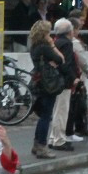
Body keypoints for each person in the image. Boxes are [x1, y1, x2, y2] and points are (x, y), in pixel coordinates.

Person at [29, 20, 64, 158]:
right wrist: (52, 45)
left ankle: (37, 144)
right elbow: (61, 59)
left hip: (39, 81)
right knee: (46, 116)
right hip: (48, 82)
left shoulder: (34, 47)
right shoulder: (45, 47)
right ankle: (42, 146)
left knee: (44, 115)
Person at [48, 19, 80, 151]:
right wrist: (73, 78)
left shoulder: (56, 42)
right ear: (69, 31)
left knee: (57, 111)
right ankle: (59, 140)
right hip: (64, 82)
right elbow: (65, 64)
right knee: (61, 111)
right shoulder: (67, 44)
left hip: (55, 81)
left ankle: (53, 137)